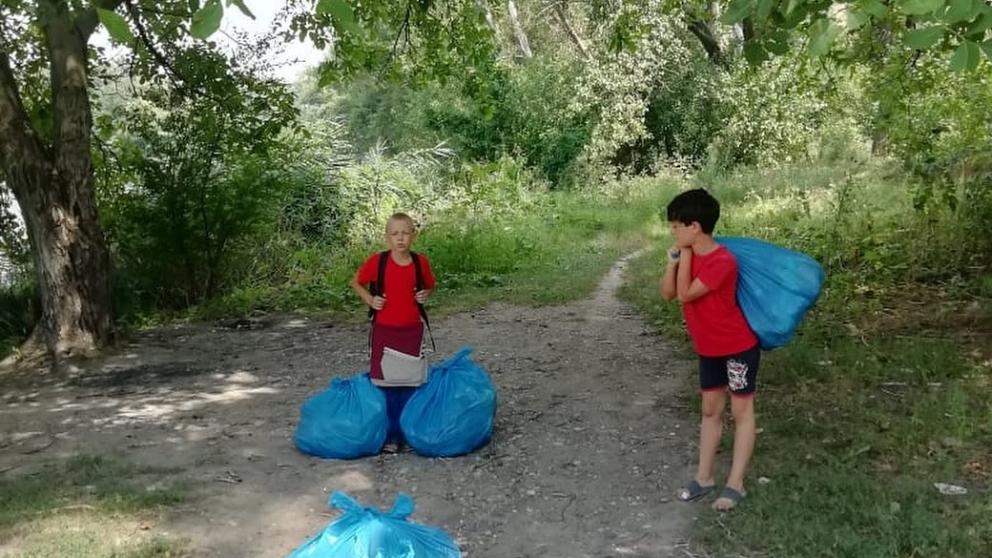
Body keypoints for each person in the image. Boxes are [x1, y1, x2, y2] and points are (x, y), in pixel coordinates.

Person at [660, 188, 759, 512]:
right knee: (709, 411)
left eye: (676, 225)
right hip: (709, 349)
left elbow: (687, 294)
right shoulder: (684, 254)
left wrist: (684, 257)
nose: (672, 231)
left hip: (737, 347)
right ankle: (704, 478)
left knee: (741, 413)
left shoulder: (722, 261)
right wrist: (671, 264)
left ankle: (736, 484)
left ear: (695, 227)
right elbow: (668, 294)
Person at [351, 212, 436, 452]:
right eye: (395, 233)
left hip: (411, 331)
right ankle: (390, 437)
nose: (400, 238)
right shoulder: (378, 262)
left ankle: (407, 435)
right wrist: (370, 299)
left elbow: (431, 285)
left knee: (410, 384)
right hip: (384, 332)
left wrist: (426, 294)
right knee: (386, 385)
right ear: (387, 238)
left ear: (413, 236)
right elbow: (356, 281)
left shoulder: (421, 263)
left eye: (406, 233)